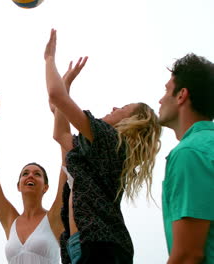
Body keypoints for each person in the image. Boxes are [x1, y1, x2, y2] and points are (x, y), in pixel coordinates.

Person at [44, 28, 161, 264]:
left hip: (101, 245)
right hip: (83, 245)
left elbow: (56, 96)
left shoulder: (109, 141)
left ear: (131, 123)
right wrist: (64, 88)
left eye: (123, 109)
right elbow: (61, 131)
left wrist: (49, 59)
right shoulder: (97, 149)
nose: (115, 107)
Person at [0, 93, 67, 263]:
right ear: (19, 185)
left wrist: (58, 113)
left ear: (45, 187)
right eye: (25, 173)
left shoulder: (54, 218)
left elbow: (66, 165)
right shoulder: (10, 220)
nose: (30, 176)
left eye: (37, 174)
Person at [158, 53, 214, 263]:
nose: (161, 99)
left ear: (181, 95)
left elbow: (188, 254)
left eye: (166, 90)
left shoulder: (190, 153)